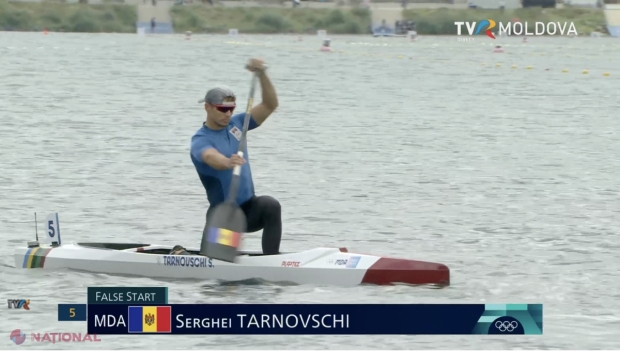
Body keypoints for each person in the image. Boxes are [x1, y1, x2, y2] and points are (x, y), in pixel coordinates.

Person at [171, 58, 281, 257]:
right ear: (208, 107)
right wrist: (227, 162)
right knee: (216, 270)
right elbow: (210, 157)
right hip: (224, 216)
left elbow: (270, 104)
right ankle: (181, 254)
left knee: (271, 206)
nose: (228, 113)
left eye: (231, 108)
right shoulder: (200, 139)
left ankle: (272, 261)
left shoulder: (239, 123)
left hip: (249, 211)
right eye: (223, 109)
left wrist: (262, 73)